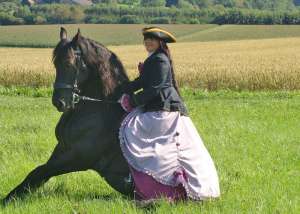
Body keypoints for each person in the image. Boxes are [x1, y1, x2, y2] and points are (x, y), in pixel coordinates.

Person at [118, 26, 220, 203]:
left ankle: (174, 187)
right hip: (158, 106)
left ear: (159, 42)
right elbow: (142, 82)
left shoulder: (160, 60)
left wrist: (133, 101)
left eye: (151, 39)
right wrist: (121, 88)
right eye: (146, 39)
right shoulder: (153, 59)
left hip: (164, 108)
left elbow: (156, 88)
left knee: (132, 130)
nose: (147, 42)